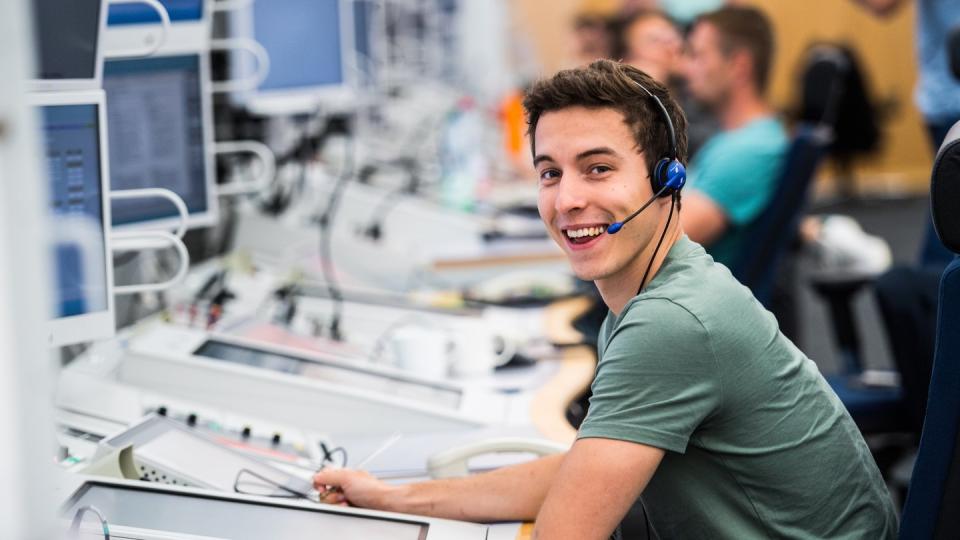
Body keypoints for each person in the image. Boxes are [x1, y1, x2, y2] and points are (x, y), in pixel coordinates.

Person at [313, 59, 898, 538]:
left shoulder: (672, 323)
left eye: (597, 169)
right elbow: (581, 474)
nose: (566, 199)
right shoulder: (657, 290)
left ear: (668, 179)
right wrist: (394, 497)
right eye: (549, 173)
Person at [678, 6, 788, 269]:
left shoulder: (750, 150)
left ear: (739, 66)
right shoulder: (735, 140)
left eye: (697, 56)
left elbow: (658, 246)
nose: (685, 69)